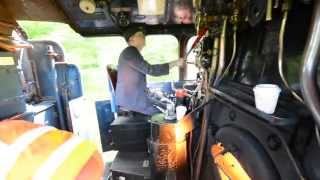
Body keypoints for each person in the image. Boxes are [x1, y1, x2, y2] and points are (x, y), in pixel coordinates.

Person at [115, 27, 183, 116]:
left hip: (135, 97)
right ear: (131, 39)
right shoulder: (130, 51)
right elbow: (150, 69)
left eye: (143, 35)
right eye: (140, 35)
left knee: (166, 106)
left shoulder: (132, 53)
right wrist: (176, 63)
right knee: (166, 114)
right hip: (132, 100)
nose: (143, 37)